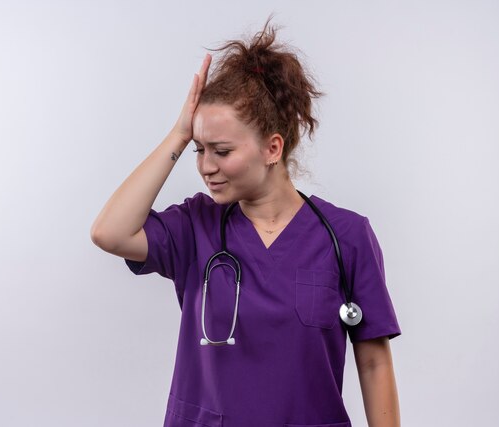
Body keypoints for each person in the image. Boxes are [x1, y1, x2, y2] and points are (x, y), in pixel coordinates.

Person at [91, 18, 401, 427]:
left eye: (221, 151)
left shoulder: (345, 236)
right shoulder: (195, 226)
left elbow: (374, 362)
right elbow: (109, 232)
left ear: (272, 147)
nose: (205, 166)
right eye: (199, 150)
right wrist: (179, 134)